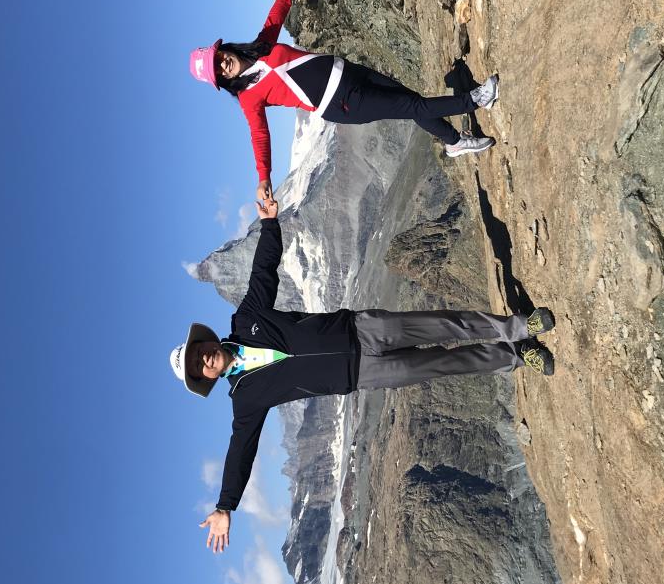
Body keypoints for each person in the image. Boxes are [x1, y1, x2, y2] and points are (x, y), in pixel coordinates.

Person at [169, 196, 557, 553]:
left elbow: (263, 273)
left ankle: (518, 327)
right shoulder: (245, 398)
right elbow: (240, 451)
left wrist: (270, 224)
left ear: (206, 340)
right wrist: (225, 505)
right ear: (206, 378)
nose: (203, 358)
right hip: (361, 373)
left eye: (198, 350)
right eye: (197, 366)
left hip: (360, 328)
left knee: (444, 324)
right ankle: (516, 355)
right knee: (443, 363)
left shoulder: (246, 320)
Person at [189, 0, 500, 203]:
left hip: (349, 72)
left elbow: (275, 18)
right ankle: (476, 100)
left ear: (223, 49)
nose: (222, 64)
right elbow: (259, 135)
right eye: (218, 70)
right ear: (223, 81)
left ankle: (454, 142)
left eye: (218, 58)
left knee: (412, 101)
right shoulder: (249, 98)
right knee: (412, 106)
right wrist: (263, 177)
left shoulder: (261, 47)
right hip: (342, 103)